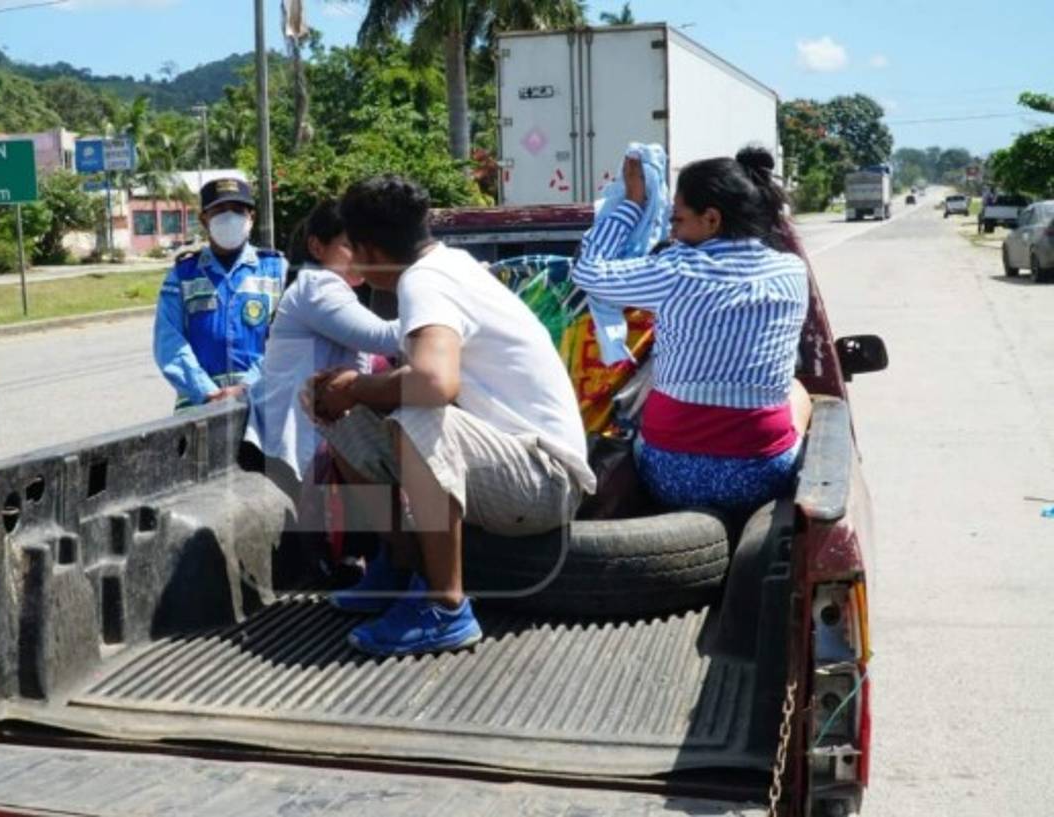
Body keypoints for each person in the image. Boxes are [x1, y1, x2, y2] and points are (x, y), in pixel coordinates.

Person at [303, 176, 596, 657]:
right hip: (509, 464)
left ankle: (444, 607)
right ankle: (402, 568)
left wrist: (355, 385)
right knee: (338, 410)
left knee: (418, 415)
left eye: (354, 249)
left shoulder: (426, 281)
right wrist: (346, 394)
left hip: (546, 479)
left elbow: (435, 384)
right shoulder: (444, 265)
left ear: (371, 251)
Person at [571, 147, 811, 515]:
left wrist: (632, 204)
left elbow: (587, 272)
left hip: (669, 476)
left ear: (711, 219)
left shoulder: (676, 269)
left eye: (678, 220)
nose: (672, 231)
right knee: (796, 390)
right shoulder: (792, 271)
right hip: (763, 477)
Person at [246, 199, 400, 487]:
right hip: (306, 445)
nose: (362, 255)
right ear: (317, 247)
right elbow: (385, 338)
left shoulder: (332, 289)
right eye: (350, 245)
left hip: (321, 439)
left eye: (366, 245)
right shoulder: (318, 287)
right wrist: (445, 313)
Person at [153, 177, 286, 411]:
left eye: (238, 210)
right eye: (220, 210)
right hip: (199, 407)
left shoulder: (277, 270)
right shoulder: (182, 275)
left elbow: (286, 340)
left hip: (261, 404)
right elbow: (169, 341)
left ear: (251, 218)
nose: (230, 217)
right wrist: (207, 393)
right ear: (204, 219)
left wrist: (246, 388)